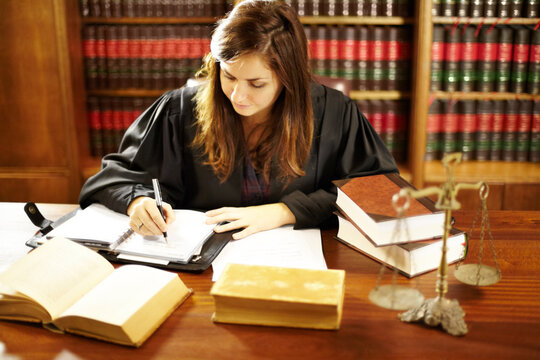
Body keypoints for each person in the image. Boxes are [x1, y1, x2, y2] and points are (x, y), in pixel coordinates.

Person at [79, 0, 398, 240]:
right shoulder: (178, 109)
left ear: (289, 78)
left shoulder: (335, 112)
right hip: (200, 261)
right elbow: (113, 178)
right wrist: (137, 203)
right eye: (229, 76)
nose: (237, 97)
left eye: (256, 84)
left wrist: (286, 211)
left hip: (301, 257)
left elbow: (379, 190)